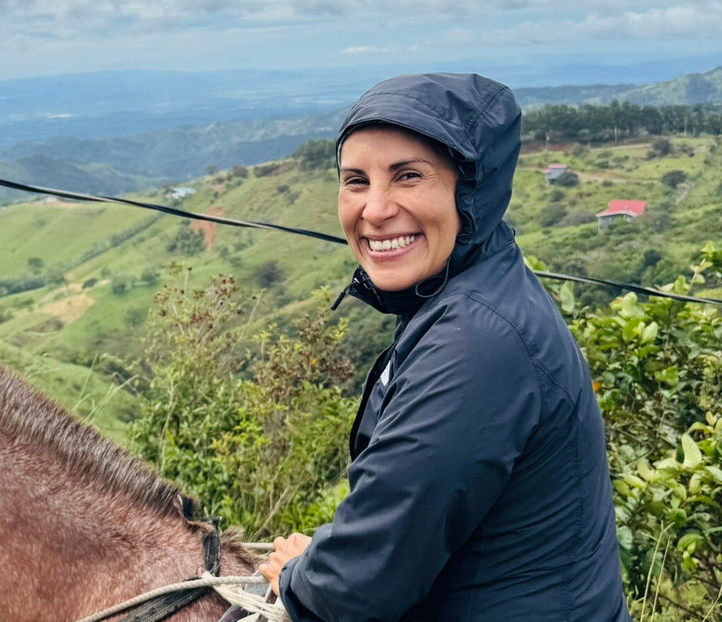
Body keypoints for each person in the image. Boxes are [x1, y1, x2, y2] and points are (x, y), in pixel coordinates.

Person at [257, 73, 630, 622]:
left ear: (471, 189)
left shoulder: (474, 343)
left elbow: (354, 588)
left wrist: (298, 578)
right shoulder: (473, 290)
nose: (376, 209)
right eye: (355, 181)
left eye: (408, 176)